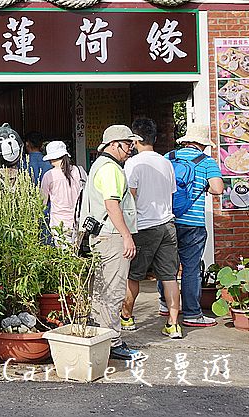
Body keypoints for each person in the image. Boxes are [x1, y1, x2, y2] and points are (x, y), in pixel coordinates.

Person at [79, 125, 141, 360]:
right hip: (112, 236)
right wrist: (127, 236)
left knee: (100, 290)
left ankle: (100, 338)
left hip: (101, 236)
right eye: (128, 144)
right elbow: (112, 205)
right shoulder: (111, 169)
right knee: (113, 291)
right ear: (114, 145)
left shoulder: (99, 165)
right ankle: (113, 342)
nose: (131, 148)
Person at [119, 118, 182, 339]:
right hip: (168, 225)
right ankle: (173, 324)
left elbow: (130, 197)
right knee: (169, 277)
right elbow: (171, 192)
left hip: (144, 227)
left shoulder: (133, 164)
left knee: (134, 275)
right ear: (154, 138)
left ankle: (126, 317)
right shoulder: (166, 163)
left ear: (135, 140)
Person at [160, 124, 223, 327]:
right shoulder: (207, 162)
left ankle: (165, 305)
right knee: (191, 269)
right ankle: (192, 314)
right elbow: (218, 188)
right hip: (193, 223)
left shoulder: (168, 157)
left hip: (168, 220)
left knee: (167, 266)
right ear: (203, 144)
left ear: (186, 141)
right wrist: (203, 186)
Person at [40, 141, 86, 246]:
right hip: (78, 221)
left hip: (59, 224)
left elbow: (42, 203)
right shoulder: (79, 171)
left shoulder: (49, 175)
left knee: (64, 253)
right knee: (75, 251)